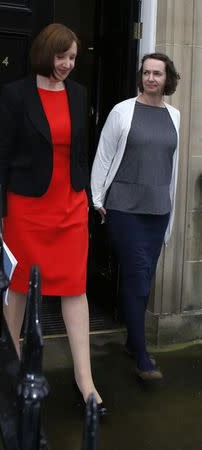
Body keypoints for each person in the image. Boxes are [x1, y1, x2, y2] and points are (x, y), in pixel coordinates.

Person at [0, 23, 106, 414]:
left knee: (75, 288)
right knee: (18, 288)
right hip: (27, 208)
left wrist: (86, 196)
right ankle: (14, 371)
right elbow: (0, 157)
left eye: (73, 58)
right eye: (62, 56)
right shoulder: (15, 94)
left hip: (70, 206)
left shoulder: (78, 94)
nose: (68, 64)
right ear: (45, 52)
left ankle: (85, 380)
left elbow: (80, 153)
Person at [91, 53, 181, 380]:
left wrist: (171, 206)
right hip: (125, 208)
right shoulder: (123, 111)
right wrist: (97, 196)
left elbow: (172, 167)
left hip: (158, 209)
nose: (151, 78)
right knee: (138, 274)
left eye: (157, 73)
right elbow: (104, 154)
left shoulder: (174, 115)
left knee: (144, 277)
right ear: (140, 76)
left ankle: (132, 340)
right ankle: (142, 355)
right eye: (146, 72)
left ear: (167, 78)